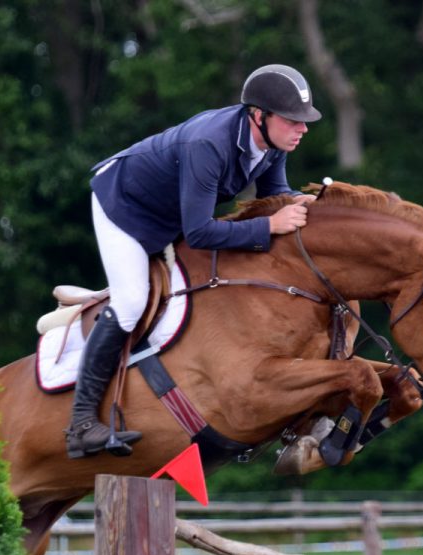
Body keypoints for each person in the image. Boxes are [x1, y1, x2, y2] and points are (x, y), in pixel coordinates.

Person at [65, 64, 322, 459]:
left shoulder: (271, 145)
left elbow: (276, 194)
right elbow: (201, 233)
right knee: (133, 300)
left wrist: (297, 201)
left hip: (171, 216)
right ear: (259, 115)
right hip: (125, 206)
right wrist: (271, 224)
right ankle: (81, 422)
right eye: (292, 120)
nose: (302, 129)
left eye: (304, 121)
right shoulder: (209, 144)